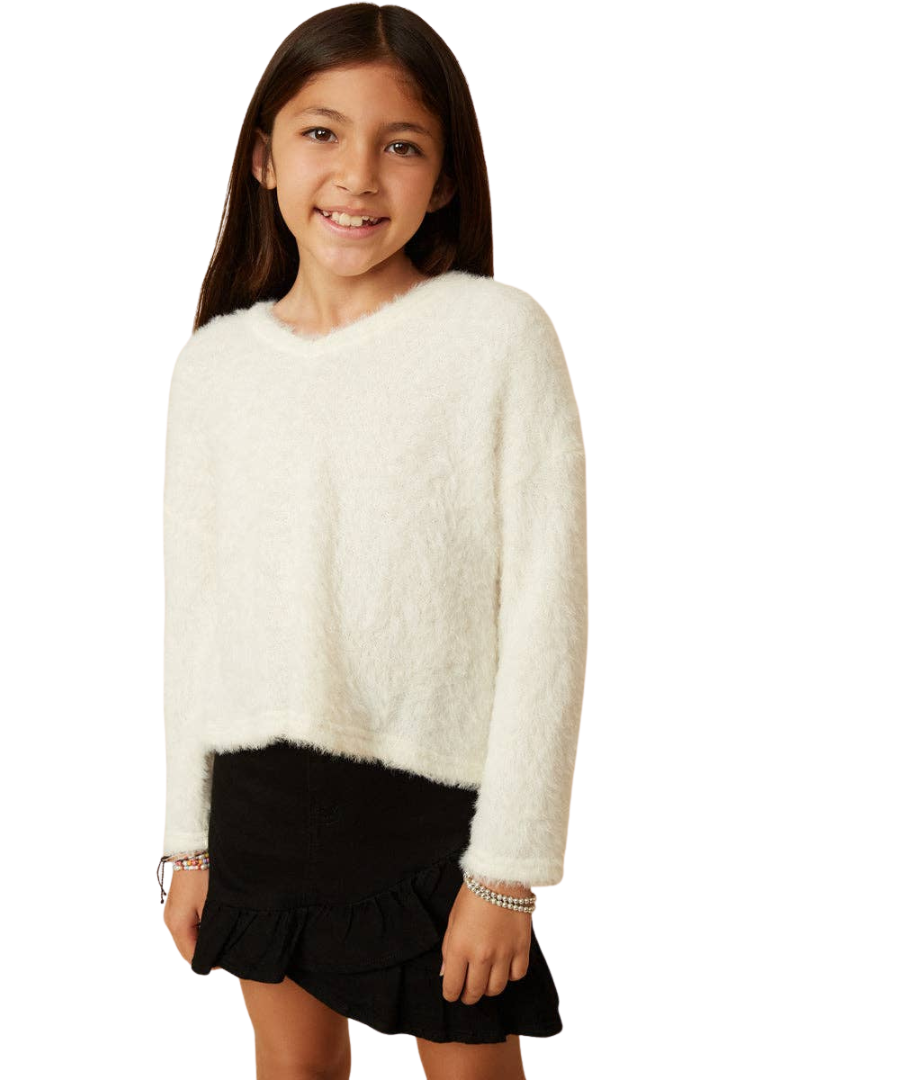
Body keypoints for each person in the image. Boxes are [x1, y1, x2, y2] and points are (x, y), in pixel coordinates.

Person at [155, 4, 588, 1076]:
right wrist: (189, 838)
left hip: (436, 810)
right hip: (256, 802)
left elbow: (547, 613)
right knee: (293, 1068)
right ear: (264, 156)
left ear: (442, 181)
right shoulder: (216, 365)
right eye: (321, 133)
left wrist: (506, 871)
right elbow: (195, 613)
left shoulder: (498, 339)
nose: (356, 175)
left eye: (401, 145)